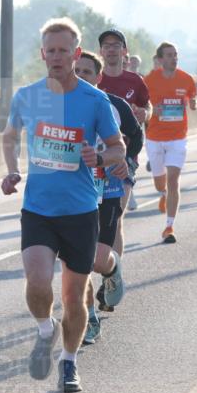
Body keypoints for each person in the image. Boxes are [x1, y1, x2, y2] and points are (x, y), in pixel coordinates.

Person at [1, 17, 125, 393]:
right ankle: (44, 328)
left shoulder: (94, 100)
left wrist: (99, 156)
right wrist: (12, 170)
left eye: (63, 50)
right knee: (37, 282)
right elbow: (9, 136)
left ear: (75, 53)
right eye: (50, 50)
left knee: (74, 296)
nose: (56, 56)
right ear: (43, 54)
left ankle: (69, 363)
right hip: (38, 208)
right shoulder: (27, 96)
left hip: (80, 210)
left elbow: (117, 147)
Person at [74, 51, 140, 338]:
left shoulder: (114, 106)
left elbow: (134, 137)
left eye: (86, 72)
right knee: (78, 259)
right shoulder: (58, 106)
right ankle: (88, 318)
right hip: (73, 191)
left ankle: (112, 271)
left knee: (99, 258)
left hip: (108, 188)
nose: (79, 77)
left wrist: (128, 164)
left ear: (98, 78)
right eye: (76, 71)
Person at [143, 41, 197, 243]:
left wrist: (194, 103)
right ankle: (163, 193)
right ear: (160, 59)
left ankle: (169, 226)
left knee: (174, 180)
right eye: (169, 55)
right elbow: (141, 106)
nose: (173, 58)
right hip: (155, 137)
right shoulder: (149, 80)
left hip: (178, 137)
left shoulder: (186, 79)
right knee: (161, 183)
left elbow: (194, 98)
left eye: (175, 54)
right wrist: (152, 111)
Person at [96, 29, 150, 217]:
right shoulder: (93, 80)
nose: (111, 50)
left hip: (126, 157)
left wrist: (146, 113)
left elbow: (146, 106)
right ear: (101, 52)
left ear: (124, 51)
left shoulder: (135, 81)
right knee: (95, 220)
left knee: (115, 217)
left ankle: (113, 248)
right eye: (106, 46)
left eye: (116, 46)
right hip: (96, 158)